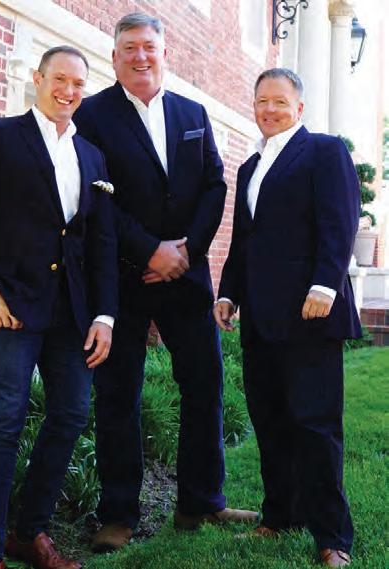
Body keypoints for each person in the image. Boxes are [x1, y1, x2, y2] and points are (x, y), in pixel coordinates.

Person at [74, 12, 258, 553]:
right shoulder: (91, 115)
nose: (140, 56)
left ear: (163, 52)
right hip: (122, 279)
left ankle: (200, 501)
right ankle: (118, 513)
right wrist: (148, 249)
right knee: (118, 395)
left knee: (204, 385)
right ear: (114, 57)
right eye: (129, 47)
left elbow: (214, 186)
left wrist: (186, 251)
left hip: (186, 276)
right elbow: (94, 196)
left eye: (149, 46)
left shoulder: (192, 113)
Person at [0, 46, 117, 569]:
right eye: (59, 79)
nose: (68, 91)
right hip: (10, 307)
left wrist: (104, 315)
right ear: (38, 79)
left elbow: (100, 241)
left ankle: (30, 533)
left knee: (71, 414)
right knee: (4, 421)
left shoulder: (92, 156)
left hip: (72, 313)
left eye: (78, 84)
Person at [214, 68, 361, 568]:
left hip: (309, 312)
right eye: (262, 101)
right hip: (259, 316)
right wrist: (228, 293)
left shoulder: (324, 151)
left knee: (315, 425)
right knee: (270, 420)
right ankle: (279, 516)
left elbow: (340, 222)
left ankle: (332, 536)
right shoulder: (249, 166)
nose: (270, 109)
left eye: (280, 101)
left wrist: (325, 285)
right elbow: (244, 238)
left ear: (299, 108)